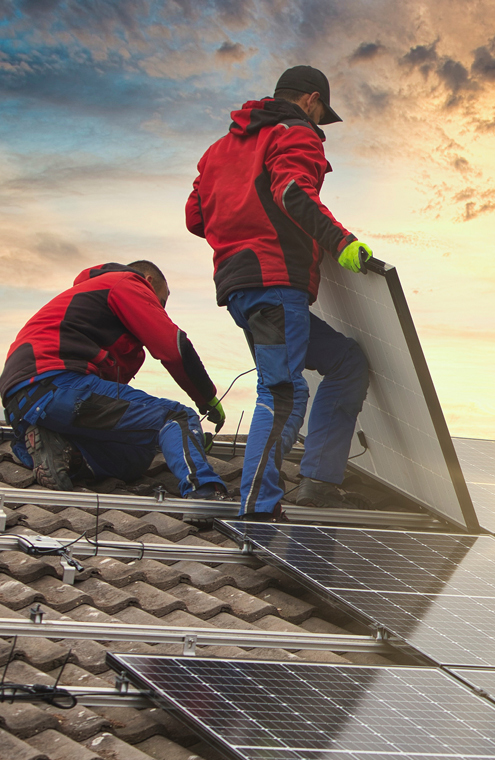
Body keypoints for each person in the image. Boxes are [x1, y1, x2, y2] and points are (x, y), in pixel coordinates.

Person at [187, 65, 371, 522]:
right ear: (312, 100)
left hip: (239, 288)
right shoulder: (296, 132)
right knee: (283, 393)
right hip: (275, 281)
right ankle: (258, 506)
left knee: (346, 361)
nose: (320, 122)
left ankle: (319, 482)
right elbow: (292, 191)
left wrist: (240, 220)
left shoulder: (218, 149)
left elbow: (196, 217)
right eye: (321, 113)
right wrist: (341, 243)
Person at [0, 261, 229, 499]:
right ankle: (203, 492)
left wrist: (186, 442)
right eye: (161, 301)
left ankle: (66, 454)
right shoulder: (126, 283)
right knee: (177, 417)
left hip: (23, 403)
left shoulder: (90, 304)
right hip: (57, 382)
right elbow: (174, 349)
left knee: (136, 456)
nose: (160, 310)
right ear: (148, 281)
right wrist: (206, 397)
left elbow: (112, 404)